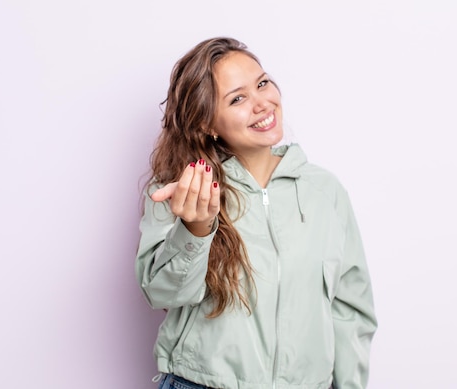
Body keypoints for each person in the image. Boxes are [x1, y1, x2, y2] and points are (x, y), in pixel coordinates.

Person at [135, 36, 377, 389]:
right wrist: (196, 228)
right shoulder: (181, 188)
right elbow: (161, 294)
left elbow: (351, 311)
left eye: (262, 83)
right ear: (207, 124)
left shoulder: (325, 192)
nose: (262, 103)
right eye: (238, 98)